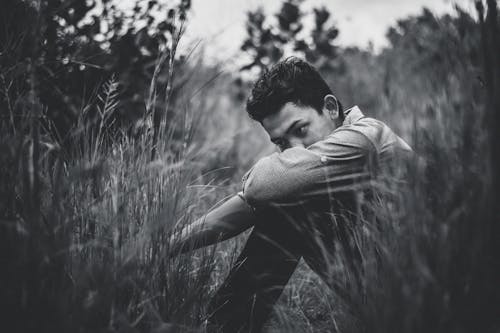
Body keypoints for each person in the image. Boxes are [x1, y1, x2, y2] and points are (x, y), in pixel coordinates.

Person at [169, 57, 413, 332]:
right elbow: (248, 203)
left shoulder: (367, 138)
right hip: (382, 303)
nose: (295, 149)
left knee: (286, 205)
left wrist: (272, 176)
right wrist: (166, 247)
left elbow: (260, 187)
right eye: (282, 143)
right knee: (285, 200)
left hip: (427, 303)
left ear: (330, 107)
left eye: (300, 130)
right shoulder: (315, 167)